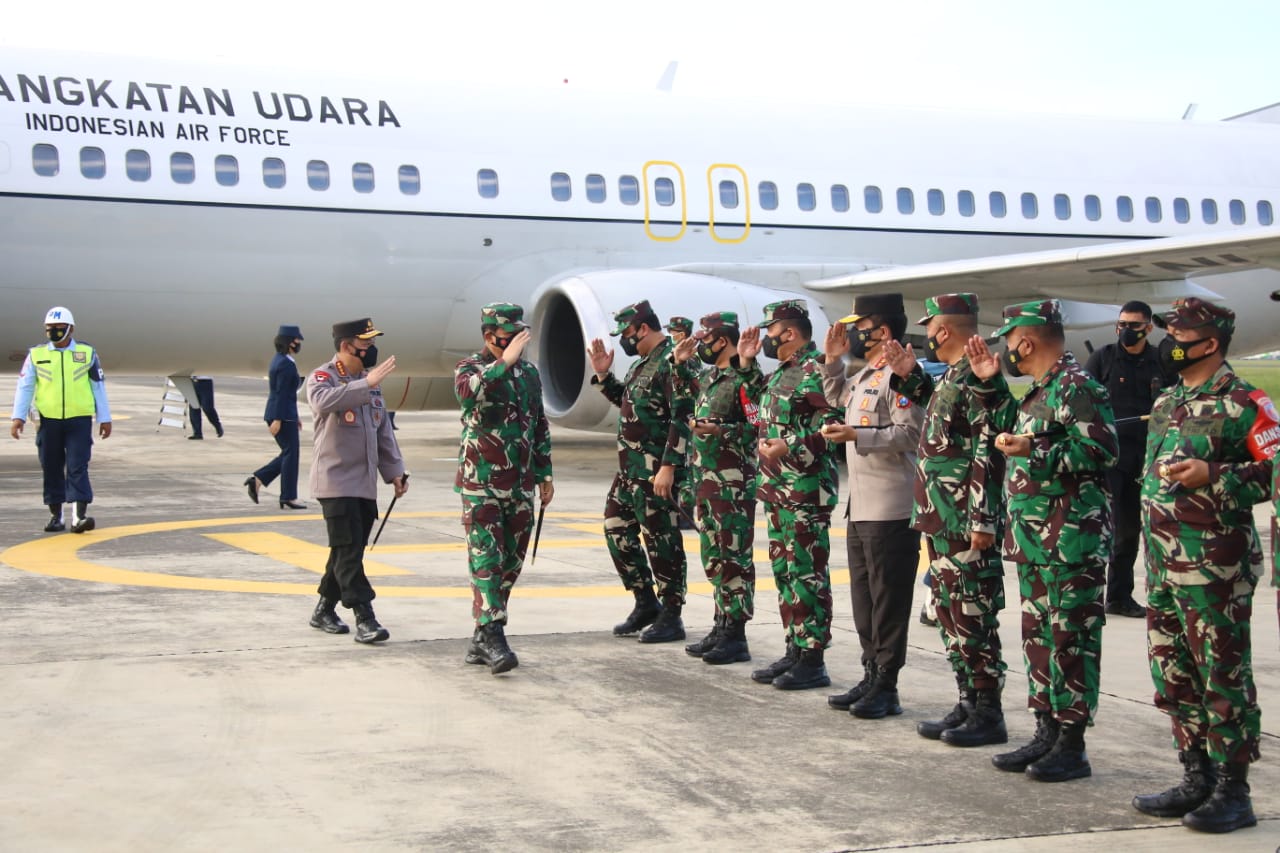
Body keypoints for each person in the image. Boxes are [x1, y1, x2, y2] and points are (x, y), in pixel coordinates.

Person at [1133, 297, 1271, 834]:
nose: (1170, 341)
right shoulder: (1170, 400)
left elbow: (1275, 469)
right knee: (1174, 673)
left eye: (1180, 333)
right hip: (1165, 566)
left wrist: (1215, 474)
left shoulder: (1244, 401)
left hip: (1215, 570)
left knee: (1222, 676)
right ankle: (1196, 776)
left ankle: (1234, 791)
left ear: (1209, 343)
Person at [966, 299, 1116, 783]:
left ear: (1026, 341)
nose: (1008, 349)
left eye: (1009, 341)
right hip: (1035, 543)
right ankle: (1045, 731)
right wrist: (991, 382)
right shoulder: (1039, 391)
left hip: (1072, 544)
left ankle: (1071, 745)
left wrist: (1038, 447)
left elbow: (1102, 449)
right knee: (1039, 639)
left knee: (1071, 641)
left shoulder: (1078, 387)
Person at [881, 294, 1015, 746]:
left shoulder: (977, 377)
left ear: (944, 330)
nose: (928, 335)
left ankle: (988, 710)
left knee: (973, 612)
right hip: (940, 515)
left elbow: (985, 448)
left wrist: (983, 517)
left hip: (963, 518)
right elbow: (946, 421)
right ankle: (967, 701)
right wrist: (909, 375)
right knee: (948, 610)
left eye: (932, 327)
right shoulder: (954, 376)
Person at [819, 293, 924, 718]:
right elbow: (836, 398)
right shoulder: (868, 374)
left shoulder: (903, 375)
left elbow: (909, 434)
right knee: (864, 601)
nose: (856, 334)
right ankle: (869, 674)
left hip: (890, 507)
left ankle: (887, 684)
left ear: (882, 330)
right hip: (860, 508)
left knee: (888, 602)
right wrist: (832, 361)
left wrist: (857, 437)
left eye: (861, 327)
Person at [740, 299, 842, 690]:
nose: (765, 337)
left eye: (771, 331)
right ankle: (795, 647)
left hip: (805, 490)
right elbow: (755, 411)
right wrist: (747, 364)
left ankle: (813, 657)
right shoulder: (783, 371)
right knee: (785, 573)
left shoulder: (816, 370)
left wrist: (792, 445)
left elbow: (832, 424)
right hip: (778, 490)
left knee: (807, 573)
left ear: (791, 333)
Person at [454, 303, 553, 675]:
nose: (516, 344)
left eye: (519, 337)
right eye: (508, 338)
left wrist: (544, 473)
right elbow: (469, 395)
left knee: (510, 561)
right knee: (486, 561)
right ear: (489, 337)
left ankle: (482, 634)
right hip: (481, 484)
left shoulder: (528, 374)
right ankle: (494, 635)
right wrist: (503, 362)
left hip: (520, 485)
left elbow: (539, 424)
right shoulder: (471, 369)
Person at [587, 300, 692, 642]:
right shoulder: (641, 365)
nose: (624, 340)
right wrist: (604, 375)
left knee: (661, 540)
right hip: (630, 470)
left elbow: (682, 416)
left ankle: (672, 613)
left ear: (643, 328)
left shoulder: (671, 362)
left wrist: (669, 466)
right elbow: (630, 406)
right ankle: (645, 600)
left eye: (627, 333)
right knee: (615, 528)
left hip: (655, 471)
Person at [305, 317, 407, 643]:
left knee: (347, 551)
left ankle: (323, 609)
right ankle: (366, 618)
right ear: (348, 346)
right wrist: (365, 384)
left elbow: (383, 433)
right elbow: (322, 402)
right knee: (348, 550)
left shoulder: (369, 382)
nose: (371, 350)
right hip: (335, 482)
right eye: (366, 344)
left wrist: (395, 472)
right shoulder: (324, 377)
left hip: (364, 484)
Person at [672, 311, 761, 665]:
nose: (700, 346)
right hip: (706, 481)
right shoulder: (710, 377)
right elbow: (680, 401)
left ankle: (736, 634)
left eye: (705, 340)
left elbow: (758, 425)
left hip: (733, 484)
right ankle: (721, 622)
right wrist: (680, 365)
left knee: (733, 557)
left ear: (722, 341)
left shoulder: (744, 378)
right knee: (713, 556)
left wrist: (720, 430)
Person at [1085, 300, 1174, 618]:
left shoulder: (1160, 362)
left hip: (1146, 459)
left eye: (1133, 326)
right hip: (1109, 459)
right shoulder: (1103, 359)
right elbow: (1083, 404)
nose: (1126, 331)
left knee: (1128, 532)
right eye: (1121, 325)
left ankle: (1119, 596)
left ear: (1148, 328)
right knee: (1097, 529)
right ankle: (1088, 596)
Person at [10, 306, 112, 534]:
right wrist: (18, 417)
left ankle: (79, 517)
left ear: (71, 329)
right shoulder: (36, 355)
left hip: (79, 419)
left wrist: (104, 418)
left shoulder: (87, 353)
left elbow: (98, 386)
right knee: (51, 467)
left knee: (78, 465)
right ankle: (56, 516)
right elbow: (25, 386)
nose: (54, 332)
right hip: (48, 421)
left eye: (59, 328)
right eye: (50, 329)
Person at [246, 325, 308, 510]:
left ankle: (258, 480)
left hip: (284, 413)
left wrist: (294, 416)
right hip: (281, 414)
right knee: (291, 454)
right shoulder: (285, 364)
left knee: (288, 453)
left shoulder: (280, 360)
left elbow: (287, 394)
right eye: (297, 340)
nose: (298, 344)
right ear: (289, 342)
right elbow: (281, 393)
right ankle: (287, 496)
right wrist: (279, 419)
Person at [666, 315, 697, 530]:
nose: (670, 335)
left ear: (682, 334)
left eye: (673, 332)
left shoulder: (690, 359)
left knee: (686, 470)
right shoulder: (671, 356)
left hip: (687, 420)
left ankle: (685, 515)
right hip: (674, 418)